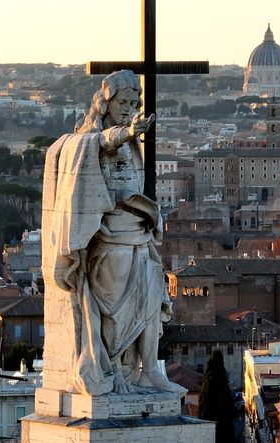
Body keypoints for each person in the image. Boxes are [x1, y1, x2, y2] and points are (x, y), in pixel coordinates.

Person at [43, 70, 184, 396]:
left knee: (151, 297)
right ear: (105, 102)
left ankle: (149, 371)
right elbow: (99, 143)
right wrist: (125, 132)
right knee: (114, 305)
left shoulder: (130, 139)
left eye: (135, 102)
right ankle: (112, 368)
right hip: (110, 234)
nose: (130, 107)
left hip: (139, 230)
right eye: (123, 102)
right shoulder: (87, 140)